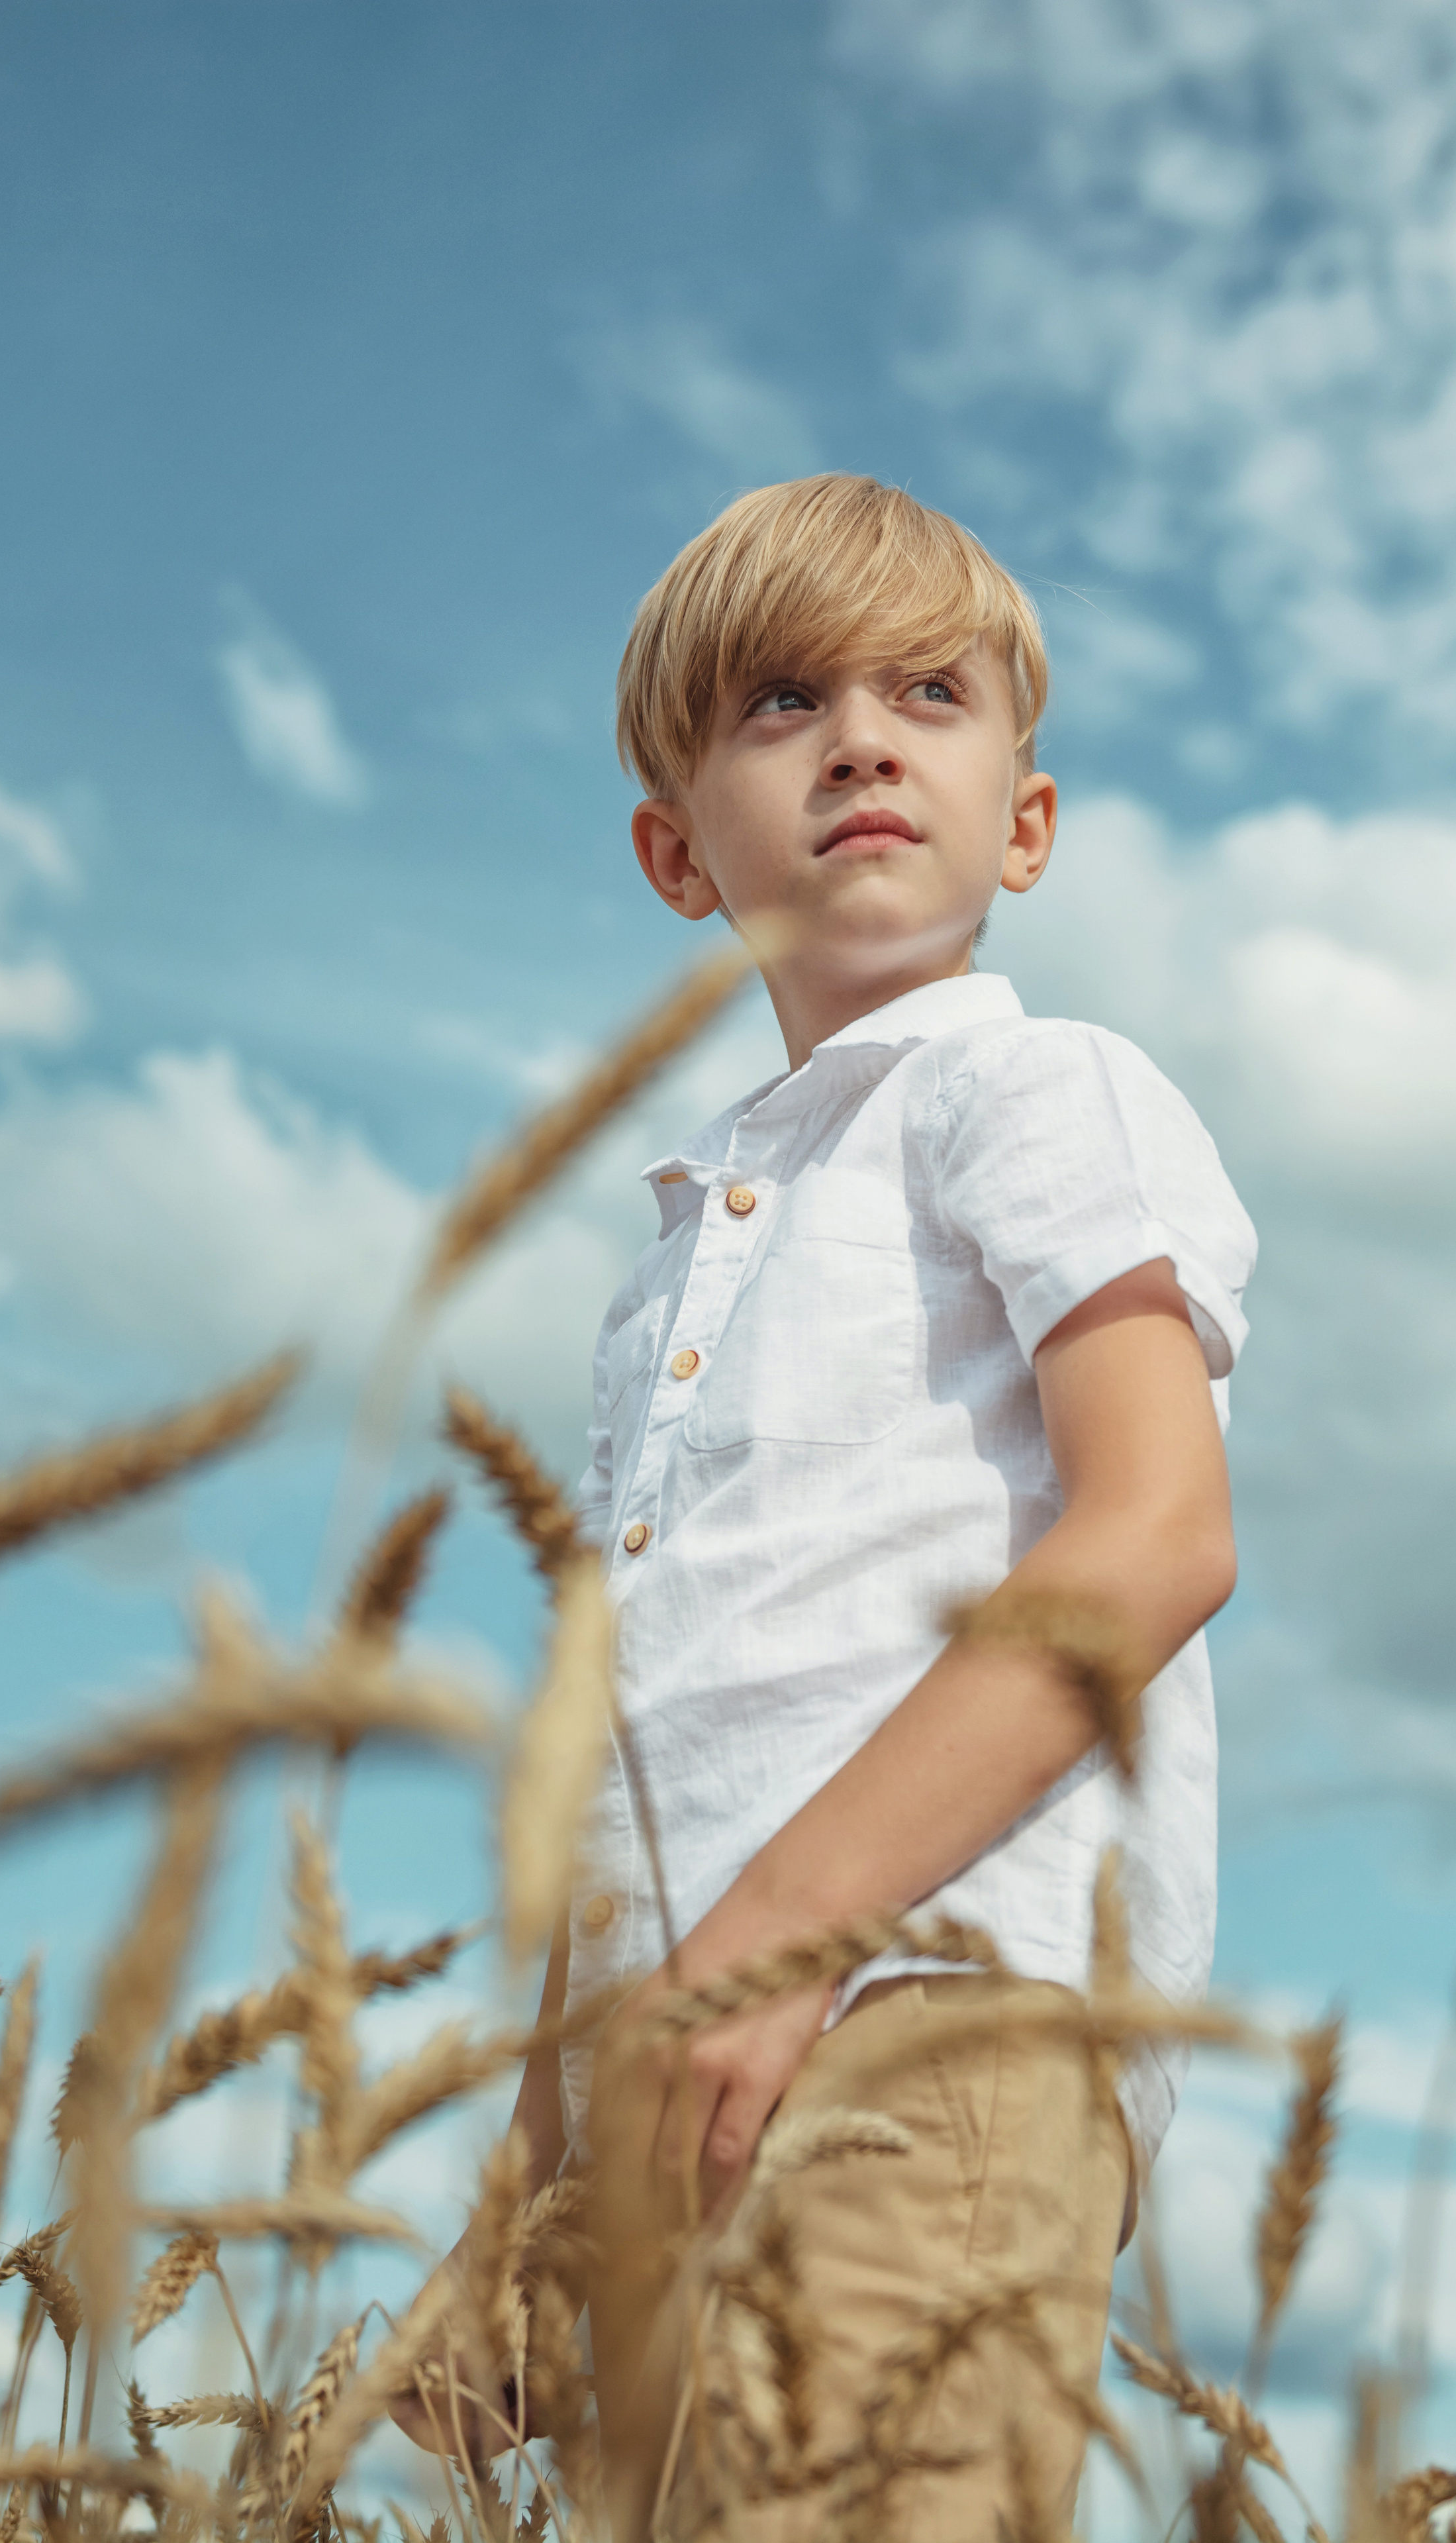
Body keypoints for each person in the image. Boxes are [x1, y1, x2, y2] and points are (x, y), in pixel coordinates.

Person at [397, 474, 1255, 2540]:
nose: (864, 737)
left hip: (922, 2034)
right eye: (785, 700)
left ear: (1023, 822)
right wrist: (524, 2187)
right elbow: (638, 1751)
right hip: (665, 2097)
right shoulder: (665, 1268)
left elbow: (1155, 1534)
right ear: (677, 853)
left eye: (930, 692)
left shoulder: (1034, 1093)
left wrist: (790, 1943)